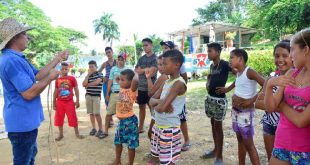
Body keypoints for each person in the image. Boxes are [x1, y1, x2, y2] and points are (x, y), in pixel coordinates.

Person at [0, 18, 68, 164]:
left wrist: (57, 59)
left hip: (24, 122)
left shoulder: (16, 58)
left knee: (29, 157)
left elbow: (37, 75)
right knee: (23, 161)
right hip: (21, 123)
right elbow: (28, 93)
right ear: (15, 38)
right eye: (25, 34)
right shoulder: (11, 61)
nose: (27, 38)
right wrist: (50, 78)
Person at [265, 28, 310, 165]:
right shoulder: (291, 73)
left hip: (305, 149)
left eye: (292, 49)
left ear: (306, 49)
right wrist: (269, 86)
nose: (291, 55)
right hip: (282, 144)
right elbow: (271, 107)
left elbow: (301, 121)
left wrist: (282, 105)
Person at [254, 40, 293, 161]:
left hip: (289, 128)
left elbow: (263, 101)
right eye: (277, 56)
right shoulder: (271, 78)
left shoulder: (297, 80)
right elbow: (257, 103)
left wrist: (270, 102)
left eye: (285, 56)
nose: (280, 59)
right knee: (272, 159)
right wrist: (282, 106)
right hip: (270, 125)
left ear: (293, 57)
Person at [226, 49, 265, 165]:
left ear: (240, 59)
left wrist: (251, 101)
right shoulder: (238, 72)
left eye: (232, 57)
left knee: (249, 144)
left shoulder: (250, 72)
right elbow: (238, 84)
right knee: (240, 140)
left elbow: (266, 83)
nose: (230, 60)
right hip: (236, 111)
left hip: (245, 113)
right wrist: (228, 89)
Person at [149, 49, 187, 165]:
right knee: (155, 157)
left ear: (176, 65)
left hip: (169, 129)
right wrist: (162, 102)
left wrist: (159, 104)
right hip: (158, 126)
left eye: (165, 63)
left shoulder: (178, 83)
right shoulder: (167, 82)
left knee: (167, 162)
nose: (162, 67)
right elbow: (150, 101)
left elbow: (160, 108)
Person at [201, 42, 234, 165]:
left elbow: (240, 73)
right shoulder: (212, 65)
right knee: (213, 125)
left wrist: (228, 89)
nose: (208, 53)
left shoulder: (225, 64)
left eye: (210, 51)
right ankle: (215, 150)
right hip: (211, 99)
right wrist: (208, 81)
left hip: (220, 100)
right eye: (207, 51)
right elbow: (211, 77)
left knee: (218, 128)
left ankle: (219, 157)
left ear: (218, 52)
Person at [160, 40, 191, 151]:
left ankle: (187, 139)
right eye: (163, 48)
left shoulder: (177, 61)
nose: (164, 49)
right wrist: (161, 102)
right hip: (165, 121)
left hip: (171, 123)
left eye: (166, 47)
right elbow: (153, 100)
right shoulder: (167, 79)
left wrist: (179, 94)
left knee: (181, 118)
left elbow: (160, 108)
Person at [109, 69, 139, 165]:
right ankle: (118, 160)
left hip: (130, 121)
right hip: (121, 122)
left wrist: (136, 73)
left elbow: (136, 81)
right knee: (117, 142)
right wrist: (122, 77)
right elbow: (117, 77)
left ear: (130, 82)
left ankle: (130, 163)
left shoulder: (132, 90)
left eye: (123, 80)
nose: (120, 81)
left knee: (131, 145)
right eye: (120, 80)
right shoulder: (122, 88)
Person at [53, 62, 84, 141]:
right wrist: (54, 103)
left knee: (72, 117)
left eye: (66, 69)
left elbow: (76, 89)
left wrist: (77, 100)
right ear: (60, 70)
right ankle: (61, 134)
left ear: (68, 69)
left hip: (69, 102)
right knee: (59, 118)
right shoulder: (58, 79)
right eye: (62, 69)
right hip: (59, 102)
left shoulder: (72, 78)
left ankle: (77, 133)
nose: (64, 71)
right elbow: (55, 91)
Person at [135, 38, 158, 133]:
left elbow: (152, 72)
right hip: (140, 87)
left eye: (146, 45)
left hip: (150, 88)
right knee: (141, 107)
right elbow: (136, 70)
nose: (144, 47)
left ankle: (154, 129)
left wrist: (142, 70)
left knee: (153, 109)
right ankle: (140, 127)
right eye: (143, 45)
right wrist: (146, 69)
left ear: (151, 45)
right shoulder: (141, 58)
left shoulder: (155, 58)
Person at [104, 54, 128, 138]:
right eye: (119, 59)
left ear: (125, 60)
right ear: (117, 60)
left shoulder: (128, 69)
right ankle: (105, 131)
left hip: (124, 94)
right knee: (109, 113)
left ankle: (123, 131)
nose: (120, 61)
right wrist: (107, 93)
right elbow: (110, 81)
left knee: (123, 113)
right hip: (114, 93)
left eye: (122, 59)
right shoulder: (113, 69)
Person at [82, 60, 104, 139]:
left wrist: (87, 85)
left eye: (92, 67)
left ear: (96, 67)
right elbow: (83, 84)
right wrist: (87, 75)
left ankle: (101, 129)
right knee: (91, 113)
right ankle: (94, 128)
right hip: (88, 96)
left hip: (96, 96)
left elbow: (97, 82)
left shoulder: (100, 74)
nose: (91, 68)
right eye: (90, 67)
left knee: (97, 113)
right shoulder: (89, 75)